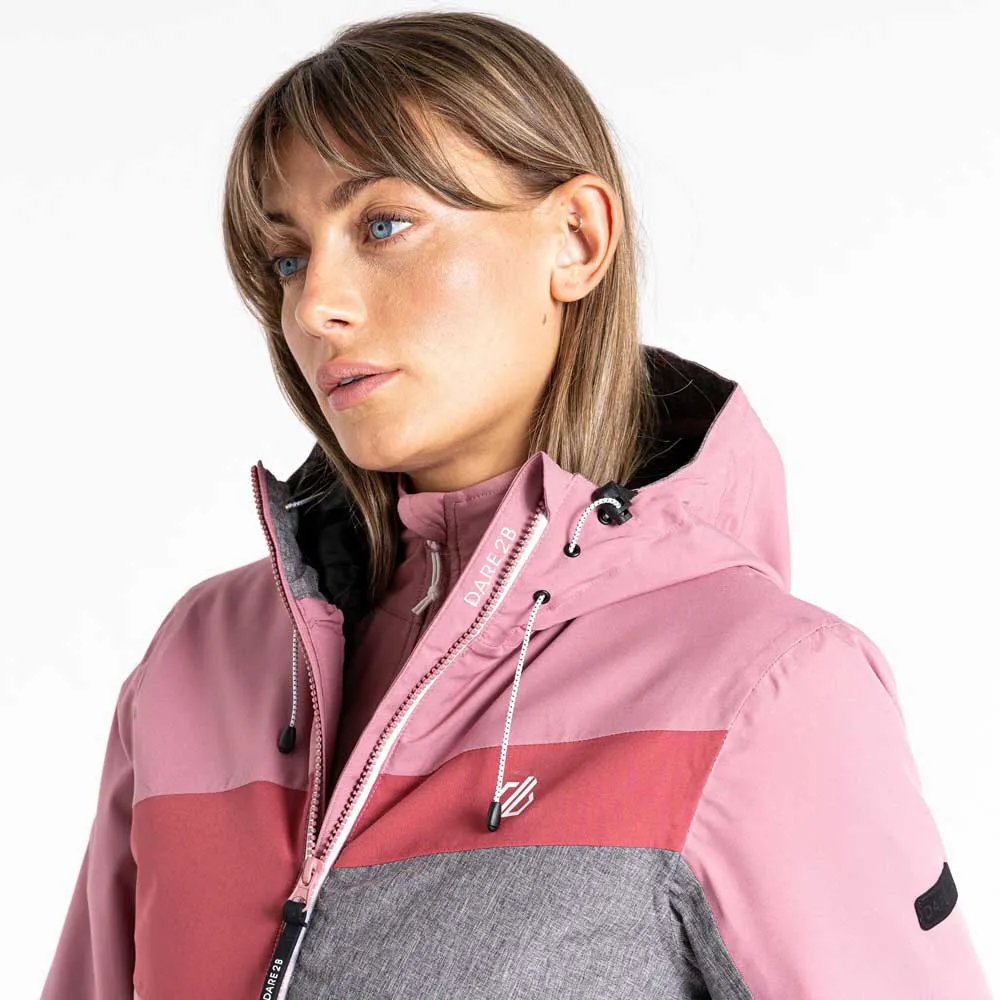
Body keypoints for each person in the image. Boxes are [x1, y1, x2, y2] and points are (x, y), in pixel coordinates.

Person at [42, 10, 992, 1000]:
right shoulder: (196, 664)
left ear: (576, 238)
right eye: (288, 258)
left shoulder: (765, 689)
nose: (315, 305)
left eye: (382, 225)